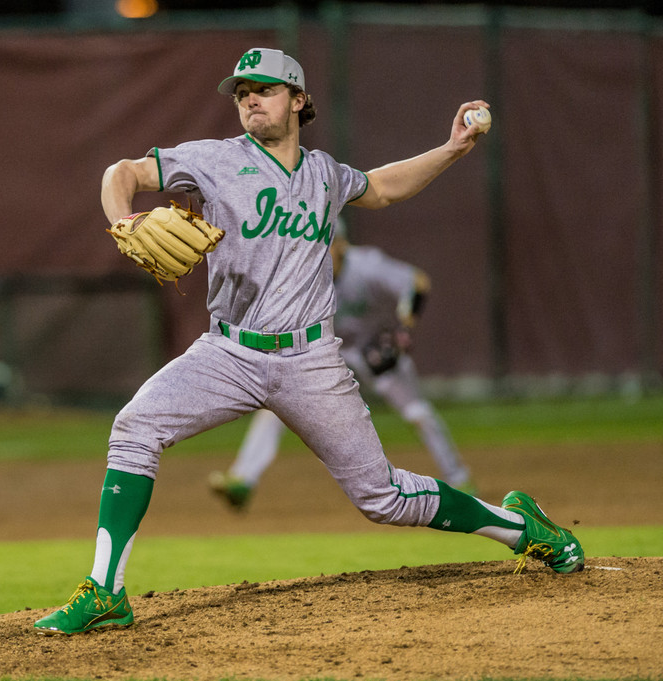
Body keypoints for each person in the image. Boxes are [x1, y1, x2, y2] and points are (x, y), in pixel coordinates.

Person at [34, 47, 583, 636]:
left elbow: (383, 188)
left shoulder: (324, 174)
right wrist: (123, 218)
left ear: (298, 100)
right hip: (228, 353)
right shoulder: (214, 161)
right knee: (136, 427)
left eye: (264, 89)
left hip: (311, 360)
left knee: (384, 498)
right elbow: (123, 172)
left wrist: (452, 149)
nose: (249, 97)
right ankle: (106, 590)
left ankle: (523, 527)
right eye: (242, 90)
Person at [210, 218, 475, 511]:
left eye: (325, 244)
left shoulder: (367, 266)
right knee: (274, 406)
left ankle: (459, 479)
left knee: (417, 414)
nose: (317, 252)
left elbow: (417, 282)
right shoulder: (301, 275)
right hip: (327, 351)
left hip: (373, 348)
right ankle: (243, 480)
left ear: (342, 245)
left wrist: (404, 325)